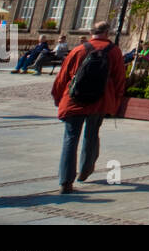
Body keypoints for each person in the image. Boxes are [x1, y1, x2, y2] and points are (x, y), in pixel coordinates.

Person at [52, 20, 125, 194]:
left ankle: (65, 182)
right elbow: (119, 80)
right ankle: (86, 169)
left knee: (70, 139)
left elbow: (62, 77)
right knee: (92, 135)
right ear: (107, 33)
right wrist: (116, 102)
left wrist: (58, 97)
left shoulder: (78, 50)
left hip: (74, 100)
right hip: (99, 101)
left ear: (92, 32)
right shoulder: (114, 52)